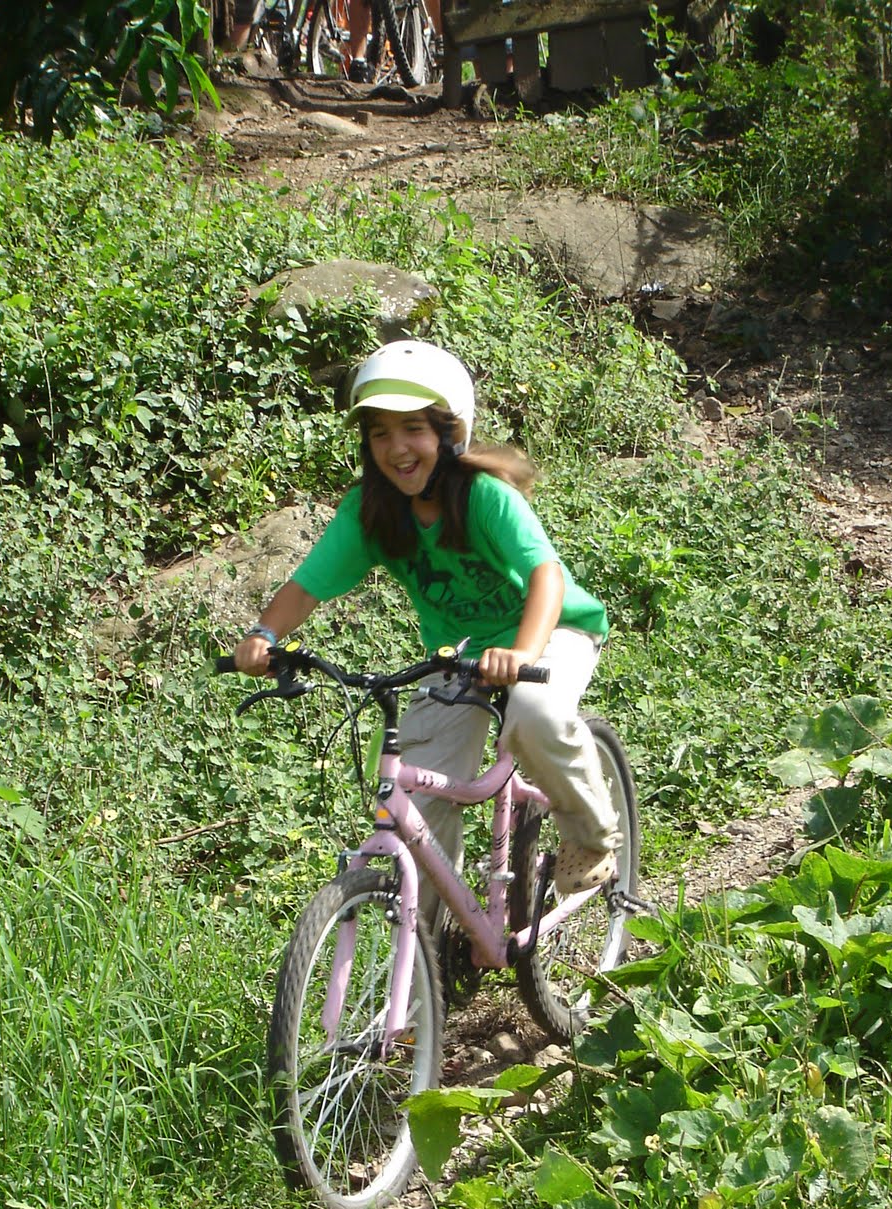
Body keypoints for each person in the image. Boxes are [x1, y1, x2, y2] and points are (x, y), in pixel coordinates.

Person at [233, 339, 621, 927]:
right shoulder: (372, 511)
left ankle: (592, 836)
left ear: (449, 432)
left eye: (412, 429)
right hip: (460, 656)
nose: (396, 449)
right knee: (416, 790)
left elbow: (545, 574)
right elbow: (307, 586)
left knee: (536, 715)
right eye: (379, 434)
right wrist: (264, 633)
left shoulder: (486, 497)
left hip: (550, 629)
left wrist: (522, 652)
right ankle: (431, 939)